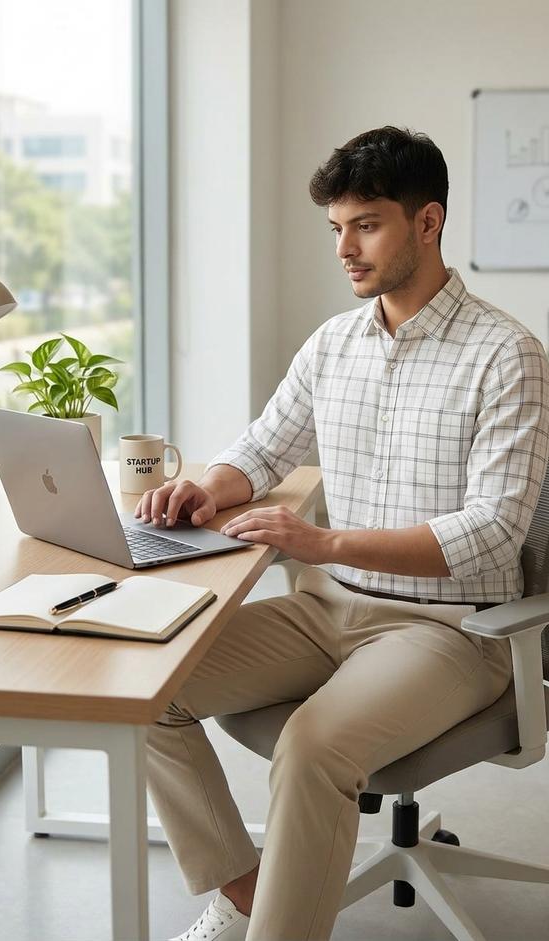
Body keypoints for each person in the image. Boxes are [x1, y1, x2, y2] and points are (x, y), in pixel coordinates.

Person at [136, 126, 549, 941]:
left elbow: (494, 532)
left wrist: (324, 544)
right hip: (328, 612)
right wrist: (203, 487)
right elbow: (261, 448)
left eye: (366, 225)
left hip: (451, 633)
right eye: (336, 228)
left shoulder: (509, 355)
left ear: (426, 223)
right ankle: (250, 892)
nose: (344, 248)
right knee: (151, 690)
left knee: (313, 747)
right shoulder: (334, 344)